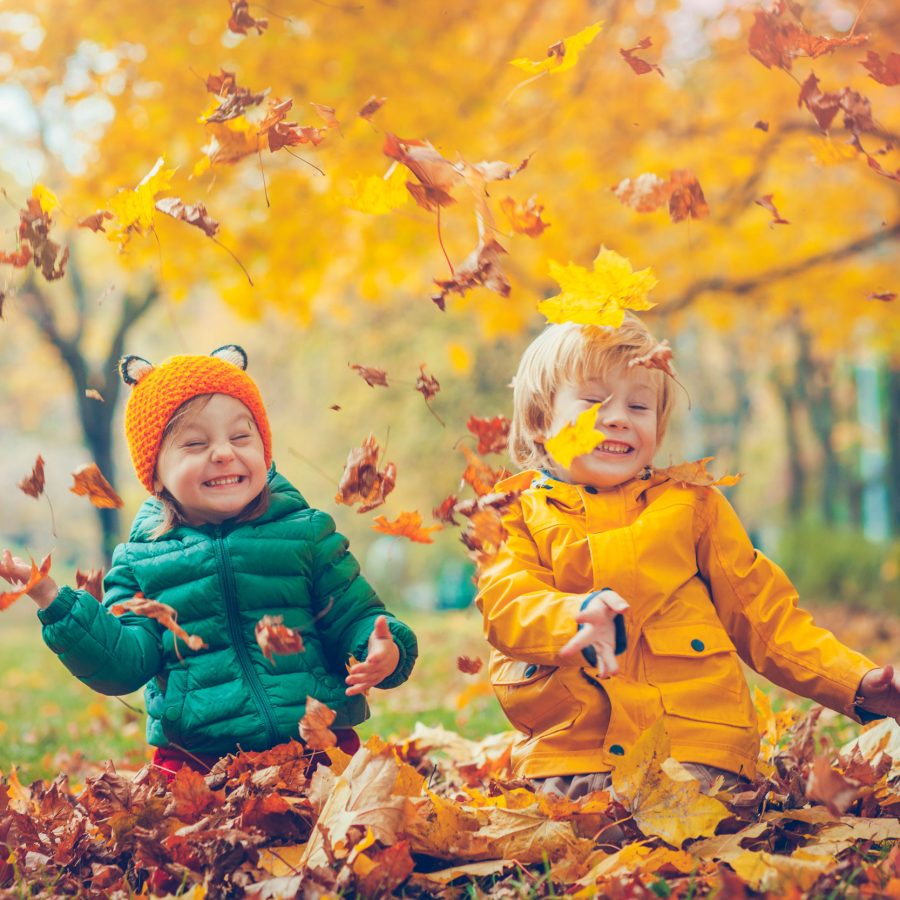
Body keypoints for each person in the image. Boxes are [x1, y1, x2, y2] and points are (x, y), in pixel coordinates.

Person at [476, 317, 899, 799]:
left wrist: (858, 682)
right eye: (593, 401)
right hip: (572, 755)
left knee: (677, 817)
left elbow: (767, 620)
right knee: (578, 828)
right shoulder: (512, 514)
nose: (618, 417)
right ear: (538, 420)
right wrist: (573, 618)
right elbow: (507, 605)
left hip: (695, 749)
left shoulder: (692, 506)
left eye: (639, 405)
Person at [0, 345, 417, 778]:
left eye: (240, 437)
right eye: (195, 444)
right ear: (157, 474)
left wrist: (382, 647)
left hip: (318, 749)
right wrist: (53, 599)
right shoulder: (141, 561)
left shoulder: (306, 533)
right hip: (198, 765)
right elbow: (122, 664)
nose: (222, 453)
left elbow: (356, 616)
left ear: (263, 450)